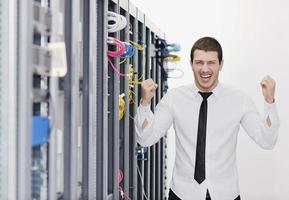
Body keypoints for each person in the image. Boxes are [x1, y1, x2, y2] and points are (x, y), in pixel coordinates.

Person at [134, 37, 280, 200]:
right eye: (199, 62)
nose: (205, 69)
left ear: (221, 64)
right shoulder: (174, 98)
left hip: (226, 194)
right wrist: (145, 103)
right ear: (191, 64)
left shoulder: (239, 100)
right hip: (183, 194)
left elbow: (267, 141)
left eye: (211, 62)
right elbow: (145, 139)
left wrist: (269, 103)